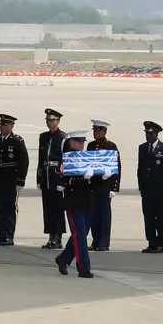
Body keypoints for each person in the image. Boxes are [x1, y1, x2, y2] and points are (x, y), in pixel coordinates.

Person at [54, 130, 96, 278]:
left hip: (88, 200)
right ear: (71, 142)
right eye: (78, 141)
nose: (81, 144)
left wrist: (102, 175)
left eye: (83, 141)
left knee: (82, 234)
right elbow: (65, 180)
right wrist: (82, 178)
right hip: (74, 201)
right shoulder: (67, 158)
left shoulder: (87, 157)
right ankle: (83, 268)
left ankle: (63, 258)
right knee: (80, 235)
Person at [0, 113, 29, 246]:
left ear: (11, 126)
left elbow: (24, 161)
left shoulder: (17, 141)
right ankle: (1, 235)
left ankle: (9, 236)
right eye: (1, 124)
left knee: (9, 208)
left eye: (5, 125)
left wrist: (21, 180)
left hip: (11, 179)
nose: (2, 127)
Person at [137, 121, 163, 254]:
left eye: (151, 133)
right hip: (147, 189)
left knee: (159, 216)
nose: (148, 136)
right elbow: (140, 169)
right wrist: (141, 187)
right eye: (147, 133)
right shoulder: (142, 148)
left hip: (159, 190)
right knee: (148, 216)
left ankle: (161, 242)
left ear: (157, 134)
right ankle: (151, 242)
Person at [37, 109, 68, 250]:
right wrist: (39, 178)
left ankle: (58, 237)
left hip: (56, 177)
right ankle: (50, 236)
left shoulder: (63, 138)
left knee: (57, 209)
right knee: (48, 208)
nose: (49, 122)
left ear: (58, 121)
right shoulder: (43, 137)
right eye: (48, 120)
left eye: (52, 120)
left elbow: (65, 160)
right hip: (46, 176)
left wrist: (63, 181)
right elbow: (41, 159)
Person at [87, 119, 120, 252]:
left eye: (98, 130)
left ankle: (104, 242)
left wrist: (114, 187)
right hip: (93, 184)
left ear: (104, 132)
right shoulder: (90, 145)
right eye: (94, 130)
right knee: (93, 214)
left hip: (105, 185)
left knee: (104, 215)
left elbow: (117, 166)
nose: (96, 132)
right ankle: (95, 241)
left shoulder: (110, 146)